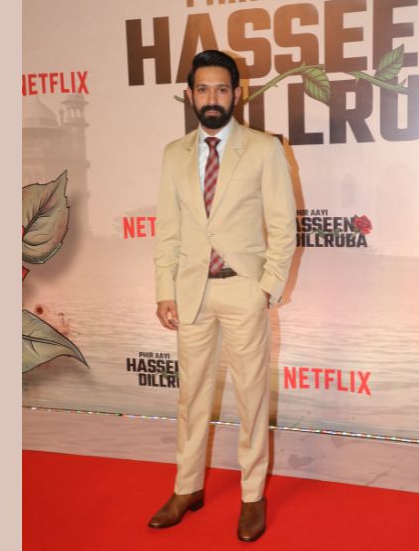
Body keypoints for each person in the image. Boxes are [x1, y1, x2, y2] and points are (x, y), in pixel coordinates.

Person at [149, 49, 297, 542]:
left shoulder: (263, 149)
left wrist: (266, 289)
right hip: (190, 293)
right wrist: (164, 290)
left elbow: (283, 226)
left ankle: (253, 495)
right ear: (189, 95)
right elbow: (167, 230)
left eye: (221, 89)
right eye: (203, 89)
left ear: (237, 93)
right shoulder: (173, 154)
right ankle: (187, 488)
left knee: (251, 398)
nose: (212, 98)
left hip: (242, 290)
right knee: (191, 398)